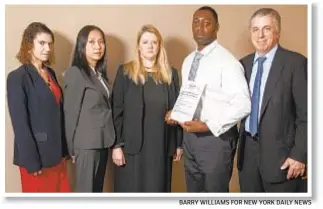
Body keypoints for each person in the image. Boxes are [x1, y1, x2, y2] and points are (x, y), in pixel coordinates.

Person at [172, 6, 251, 192]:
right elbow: (188, 94)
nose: (200, 27)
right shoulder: (189, 60)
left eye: (207, 23)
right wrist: (176, 113)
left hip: (216, 140)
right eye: (196, 22)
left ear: (217, 27)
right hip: (190, 139)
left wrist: (207, 125)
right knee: (194, 194)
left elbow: (243, 103)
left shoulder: (228, 62)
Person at [237, 8, 307, 192]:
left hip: (283, 161)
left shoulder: (296, 63)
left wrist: (299, 155)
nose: (260, 35)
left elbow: (307, 115)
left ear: (277, 31)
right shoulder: (242, 65)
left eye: (266, 28)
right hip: (248, 159)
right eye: (255, 29)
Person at [111, 24, 183, 192]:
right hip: (131, 148)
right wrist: (116, 146)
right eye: (145, 42)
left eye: (154, 42)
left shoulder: (170, 74)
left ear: (159, 46)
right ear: (138, 46)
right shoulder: (125, 72)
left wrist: (179, 144)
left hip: (161, 146)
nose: (150, 46)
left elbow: (178, 110)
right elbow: (116, 110)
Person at [6, 22, 71, 192]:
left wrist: (65, 150)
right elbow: (20, 125)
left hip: (57, 156)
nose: (47, 48)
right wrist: (31, 162)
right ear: (29, 45)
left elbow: (57, 114)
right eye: (42, 43)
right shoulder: (17, 78)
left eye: (50, 44)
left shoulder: (51, 73)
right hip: (37, 159)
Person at [63, 25, 115, 192]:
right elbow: (70, 113)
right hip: (86, 145)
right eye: (91, 42)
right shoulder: (76, 72)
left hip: (102, 141)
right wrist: (71, 148)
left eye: (101, 42)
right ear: (82, 46)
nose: (97, 46)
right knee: (86, 193)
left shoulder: (100, 75)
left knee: (96, 192)